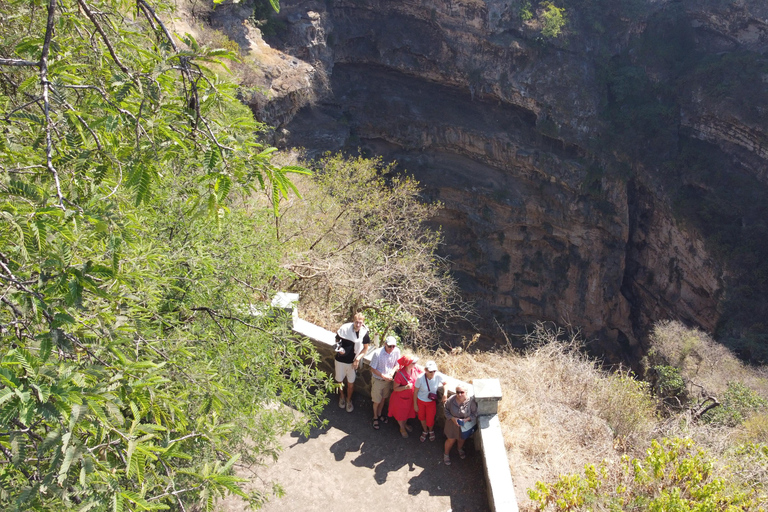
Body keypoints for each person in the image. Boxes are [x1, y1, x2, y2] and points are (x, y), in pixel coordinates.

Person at [334, 312, 370, 413]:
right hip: (340, 360)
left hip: (352, 362)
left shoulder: (364, 333)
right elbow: (337, 340)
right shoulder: (344, 329)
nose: (358, 324)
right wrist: (339, 348)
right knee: (340, 381)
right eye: (356, 322)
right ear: (353, 321)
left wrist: (358, 359)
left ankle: (348, 400)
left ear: (363, 323)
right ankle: (342, 396)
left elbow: (365, 348)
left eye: (360, 322)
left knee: (351, 384)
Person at [369, 335, 401, 429]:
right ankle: (375, 417)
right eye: (389, 346)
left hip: (388, 381)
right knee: (376, 400)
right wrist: (383, 376)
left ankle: (379, 414)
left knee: (383, 398)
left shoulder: (396, 351)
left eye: (393, 346)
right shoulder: (377, 353)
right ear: (385, 344)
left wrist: (392, 372)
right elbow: (373, 368)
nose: (391, 348)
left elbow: (397, 364)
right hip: (378, 380)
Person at [388, 354, 423, 438]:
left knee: (407, 413)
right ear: (408, 364)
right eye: (413, 362)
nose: (416, 363)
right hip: (401, 400)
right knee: (401, 415)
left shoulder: (415, 369)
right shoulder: (400, 374)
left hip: (410, 398)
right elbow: (395, 388)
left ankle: (404, 424)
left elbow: (424, 373)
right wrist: (405, 387)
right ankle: (402, 427)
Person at [442, 384, 477, 465]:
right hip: (452, 424)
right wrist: (453, 418)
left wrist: (466, 420)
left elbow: (474, 414)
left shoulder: (471, 402)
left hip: (464, 425)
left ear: (466, 392)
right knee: (451, 440)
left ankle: (459, 449)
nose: (459, 394)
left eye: (462, 392)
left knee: (462, 439)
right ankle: (446, 454)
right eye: (458, 392)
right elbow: (446, 410)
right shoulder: (451, 400)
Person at [413, 360, 447, 442]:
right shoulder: (420, 378)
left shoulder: (438, 376)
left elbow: (445, 383)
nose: (433, 373)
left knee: (430, 418)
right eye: (430, 371)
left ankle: (431, 430)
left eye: (434, 371)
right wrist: (415, 404)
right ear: (425, 370)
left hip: (431, 402)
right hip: (421, 401)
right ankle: (425, 430)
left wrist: (445, 394)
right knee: (421, 417)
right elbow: (415, 391)